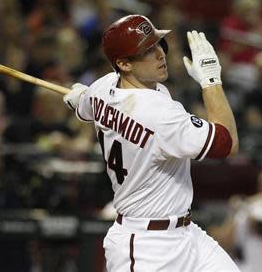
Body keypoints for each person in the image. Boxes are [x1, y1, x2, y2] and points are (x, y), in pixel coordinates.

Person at [63, 15, 239, 272]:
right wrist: (211, 81)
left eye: (158, 44)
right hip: (146, 246)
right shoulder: (161, 114)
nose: (160, 54)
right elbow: (228, 143)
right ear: (123, 63)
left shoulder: (102, 88)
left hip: (187, 234)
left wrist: (81, 99)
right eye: (146, 51)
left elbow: (87, 105)